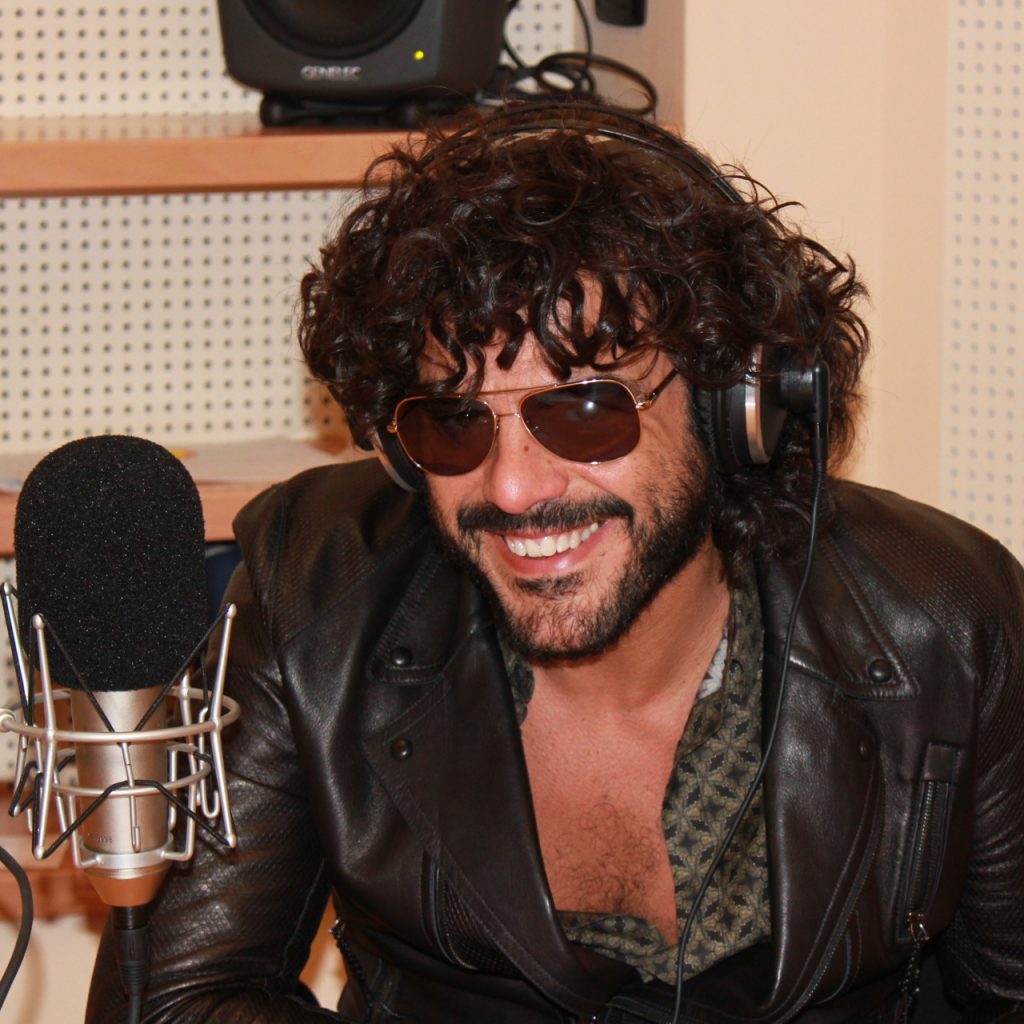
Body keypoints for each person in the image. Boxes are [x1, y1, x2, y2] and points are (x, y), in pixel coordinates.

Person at [86, 100, 1024, 1023]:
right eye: (455, 421)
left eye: (583, 411)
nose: (514, 487)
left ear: (731, 406)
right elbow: (178, 1004)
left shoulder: (943, 617)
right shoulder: (315, 587)